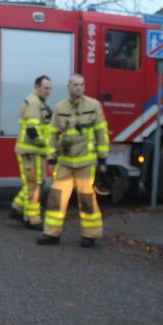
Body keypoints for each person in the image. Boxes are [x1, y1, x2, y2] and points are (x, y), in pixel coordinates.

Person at [37, 74, 109, 247]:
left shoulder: (93, 106)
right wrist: (51, 157)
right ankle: (51, 234)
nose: (79, 88)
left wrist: (103, 158)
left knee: (86, 199)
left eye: (82, 85)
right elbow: (52, 133)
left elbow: (101, 132)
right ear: (68, 87)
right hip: (65, 162)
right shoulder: (60, 107)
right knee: (55, 198)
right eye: (75, 85)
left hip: (85, 162)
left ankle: (90, 235)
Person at [11, 75, 53, 229]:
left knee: (34, 184)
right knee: (34, 186)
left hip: (33, 152)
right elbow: (32, 130)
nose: (48, 91)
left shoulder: (39, 103)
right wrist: (45, 146)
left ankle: (17, 208)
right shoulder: (35, 104)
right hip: (32, 152)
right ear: (37, 87)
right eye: (45, 88)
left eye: (50, 88)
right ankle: (32, 220)